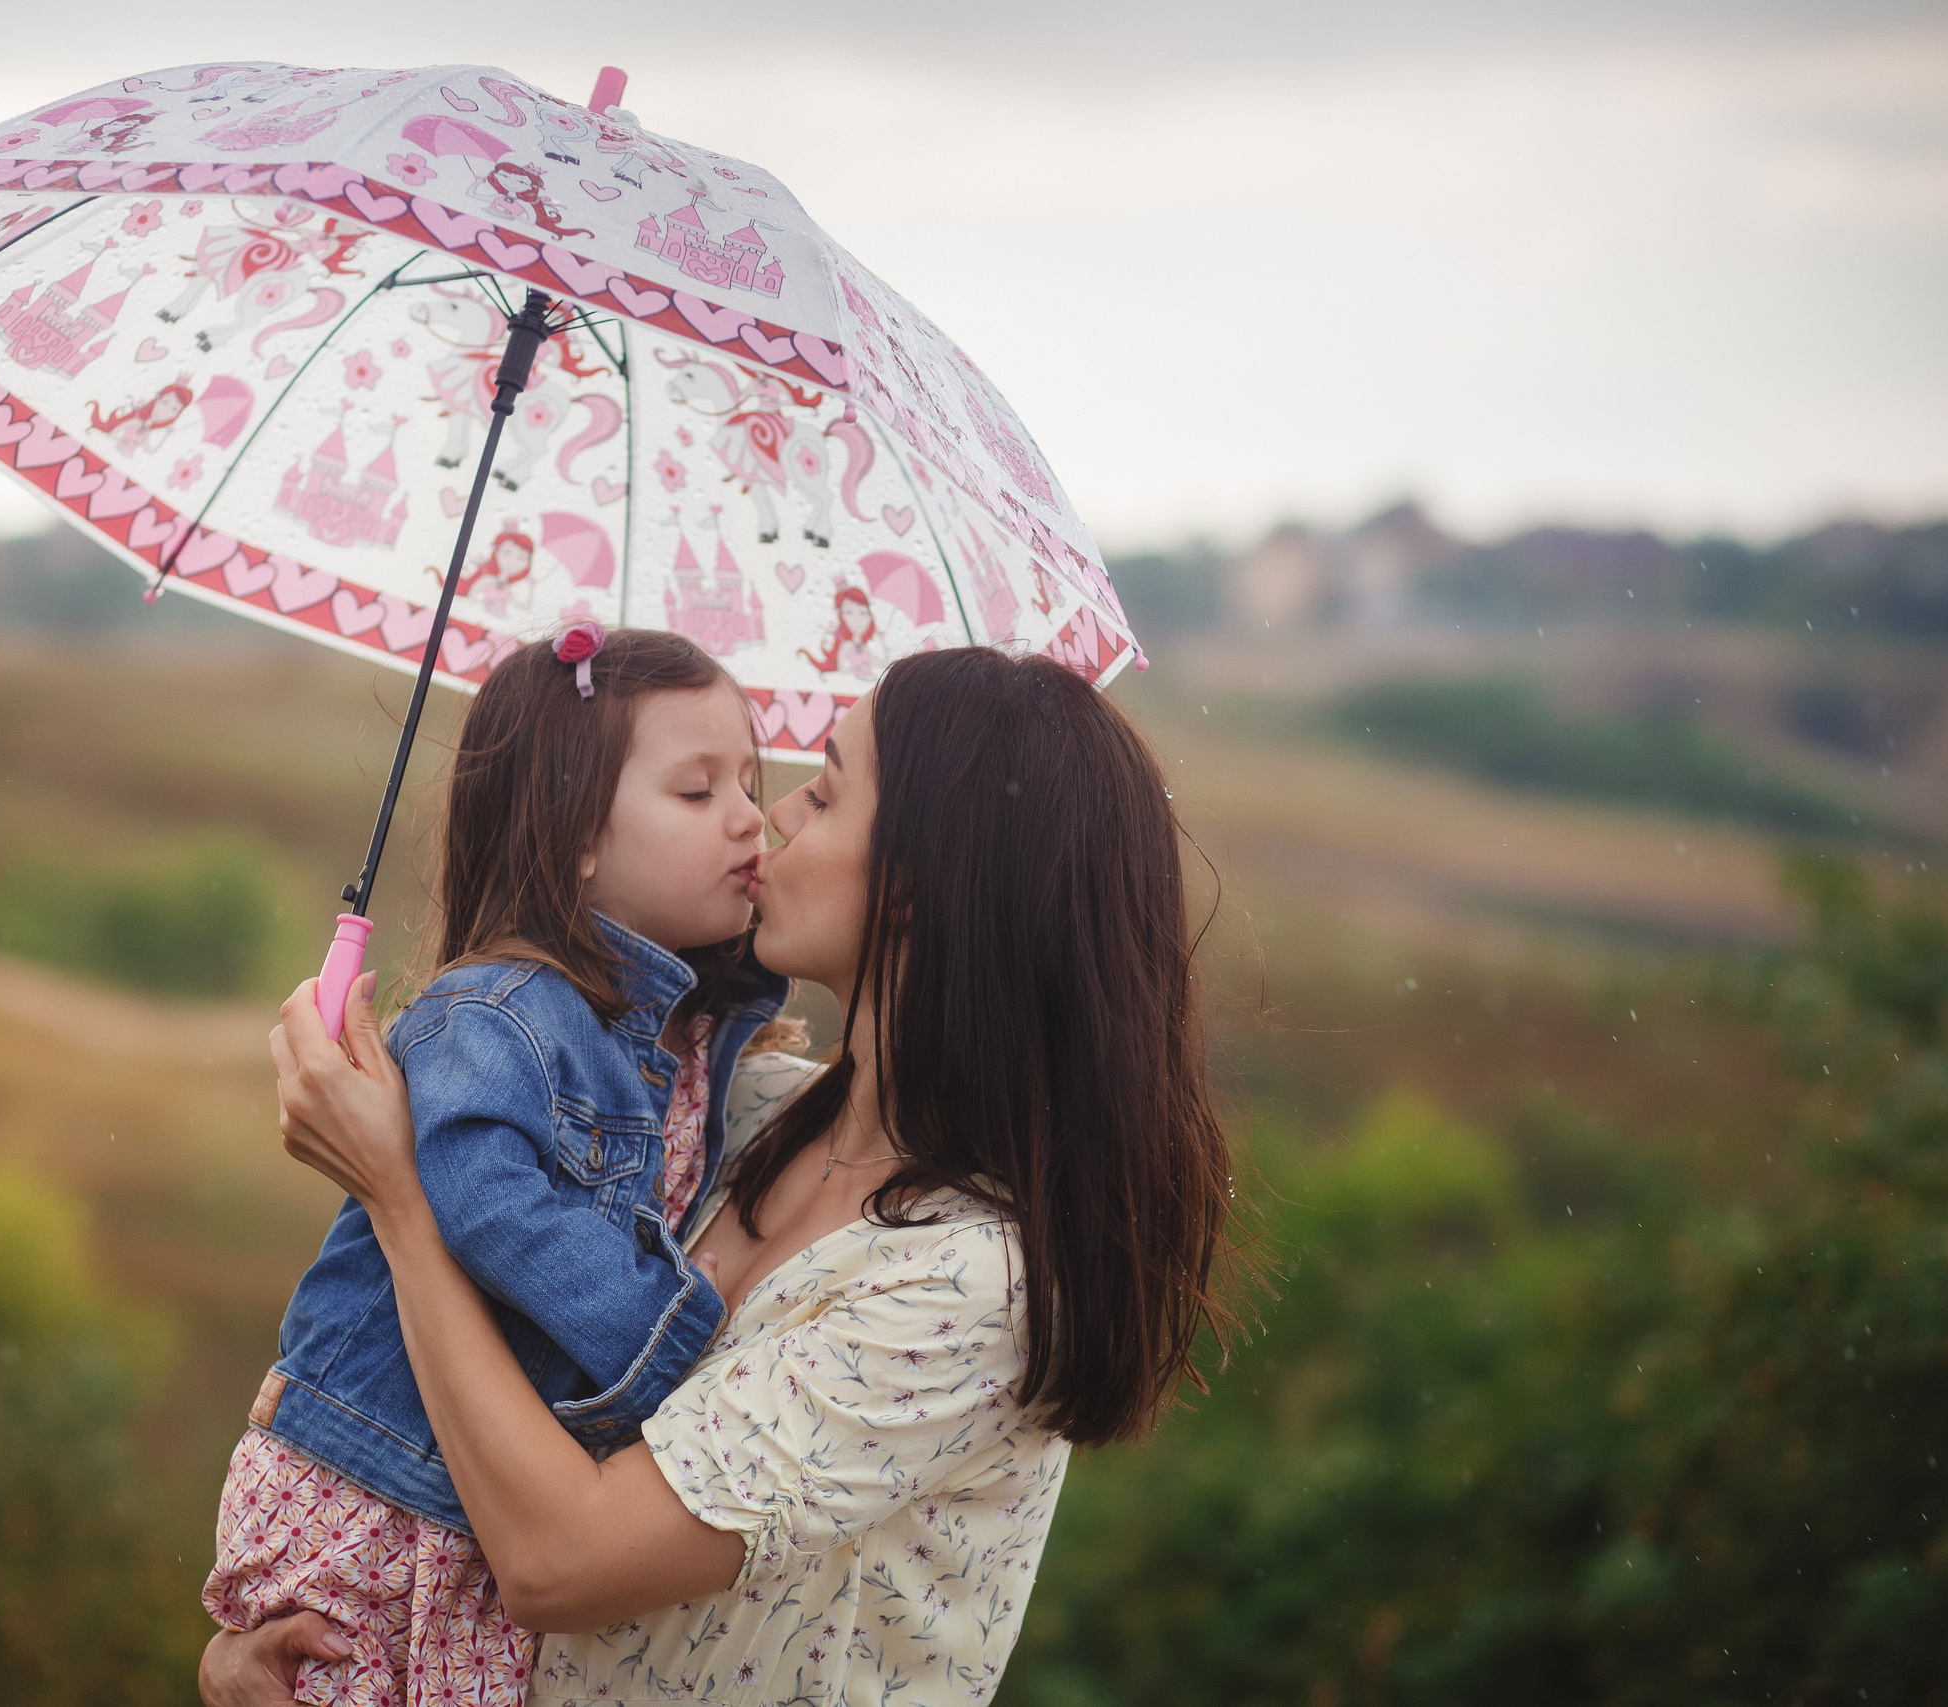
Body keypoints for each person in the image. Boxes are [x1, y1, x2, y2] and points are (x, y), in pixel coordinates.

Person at [213, 646, 1241, 1707]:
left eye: (824, 793)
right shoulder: (728, 1114)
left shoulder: (971, 1282)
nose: (774, 815)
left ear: (924, 883)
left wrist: (400, 1200)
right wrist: (298, 1632)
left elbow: (558, 1559)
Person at [199, 623, 794, 1705]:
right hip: (375, 1490)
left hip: (469, 1502)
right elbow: (488, 1205)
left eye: (750, 783)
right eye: (698, 790)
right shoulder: (500, 1011)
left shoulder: (687, 1042)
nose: (750, 816)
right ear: (575, 836)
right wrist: (671, 1334)